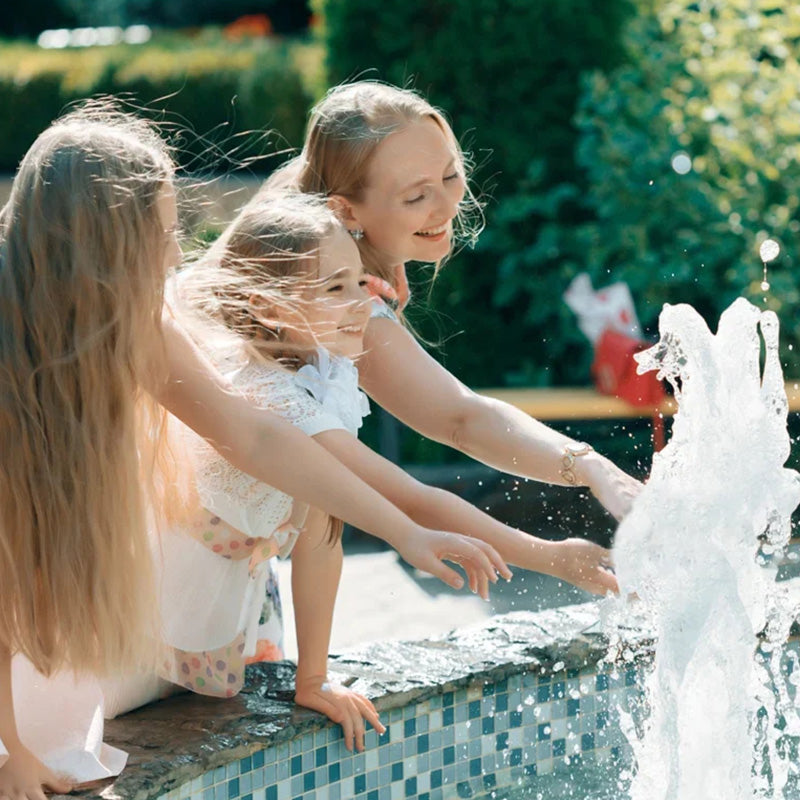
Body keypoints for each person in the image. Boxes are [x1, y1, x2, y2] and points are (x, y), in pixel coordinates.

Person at [0, 105, 506, 800]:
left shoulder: (137, 329)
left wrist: (406, 533)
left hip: (57, 645)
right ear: (100, 242)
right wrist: (10, 751)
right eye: (160, 234)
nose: (178, 256)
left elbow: (257, 436)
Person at [177, 194, 617, 723]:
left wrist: (313, 679)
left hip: (235, 587)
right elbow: (407, 498)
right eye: (334, 288)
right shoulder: (271, 397)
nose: (361, 303)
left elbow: (322, 533)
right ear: (268, 308)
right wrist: (548, 557)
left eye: (359, 282)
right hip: (176, 590)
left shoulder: (312, 368)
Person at [261, 80, 641, 520]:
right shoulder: (342, 305)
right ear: (345, 210)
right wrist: (591, 467)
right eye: (417, 195)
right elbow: (461, 421)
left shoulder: (308, 229)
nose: (446, 207)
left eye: (449, 175)